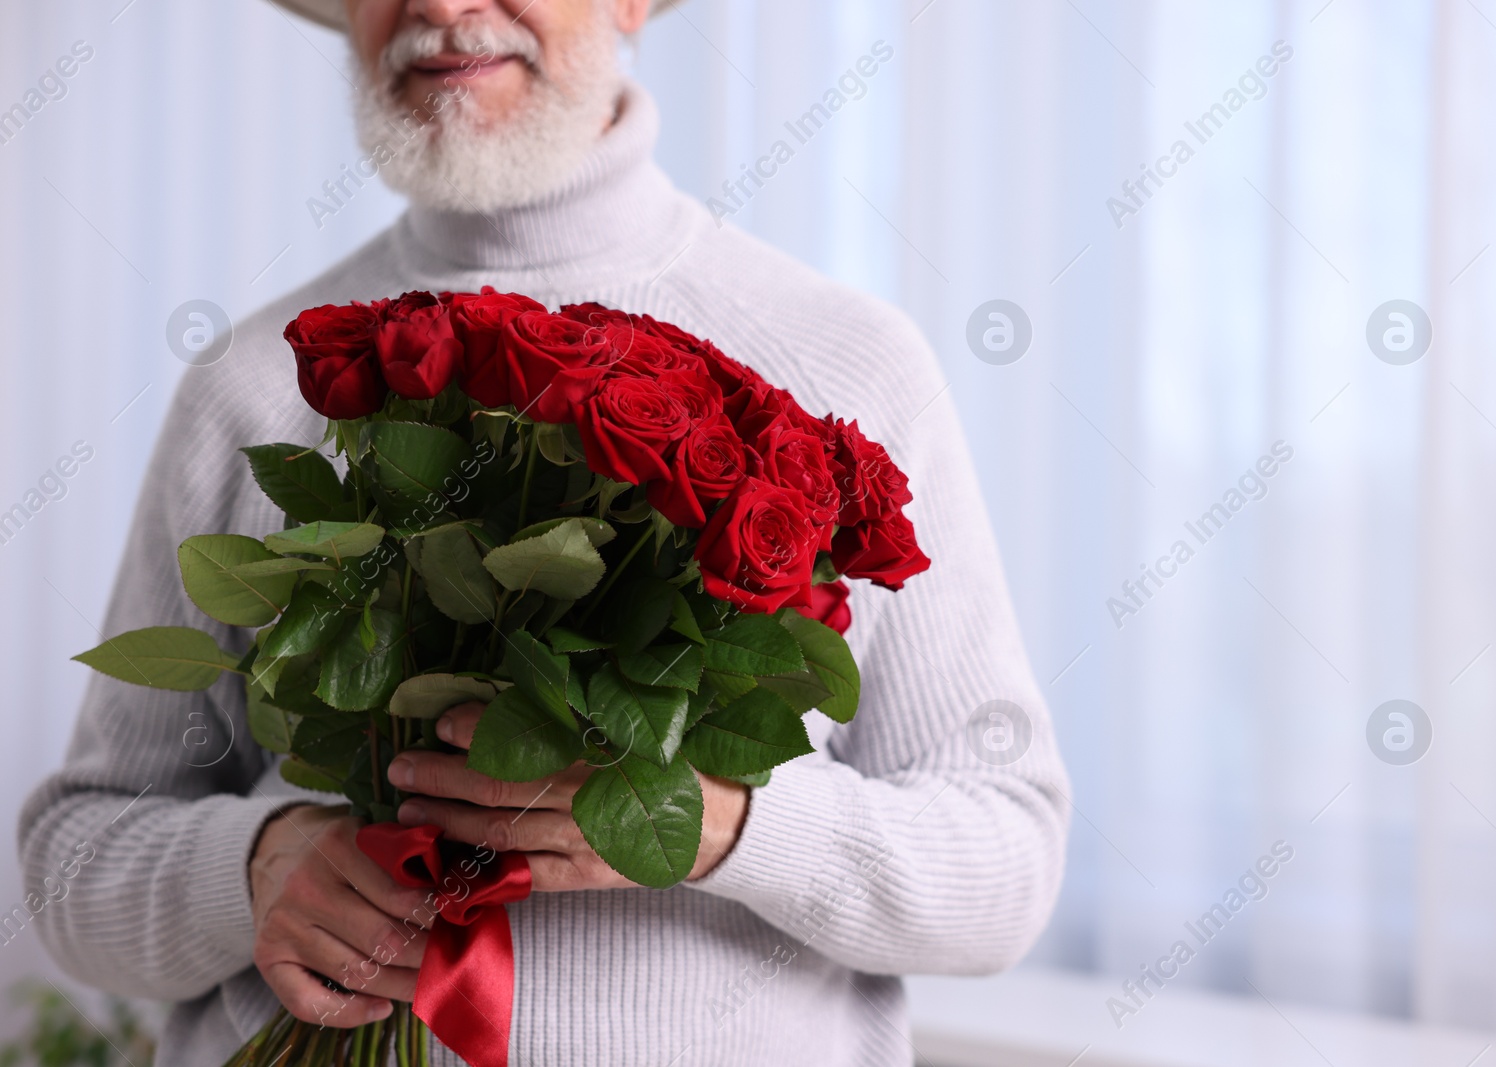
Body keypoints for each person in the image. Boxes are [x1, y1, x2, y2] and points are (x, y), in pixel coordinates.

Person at [19, 1, 1071, 1063]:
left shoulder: (850, 365)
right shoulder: (254, 379)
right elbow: (70, 863)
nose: (439, 5)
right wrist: (249, 864)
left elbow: (1007, 865)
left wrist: (720, 823)